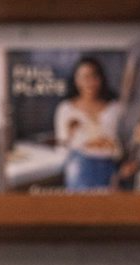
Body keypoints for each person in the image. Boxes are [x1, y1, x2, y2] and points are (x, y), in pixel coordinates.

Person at [56, 56, 125, 190]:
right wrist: (70, 134)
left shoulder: (115, 108)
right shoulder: (66, 109)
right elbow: (61, 147)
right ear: (76, 80)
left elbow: (122, 142)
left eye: (94, 76)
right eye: (84, 77)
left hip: (110, 167)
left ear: (101, 78)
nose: (89, 82)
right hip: (79, 167)